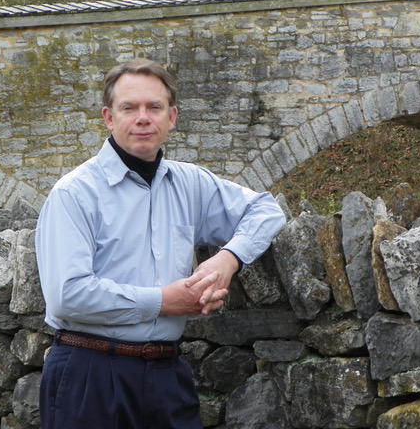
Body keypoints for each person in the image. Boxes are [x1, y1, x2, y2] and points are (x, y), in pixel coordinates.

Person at [35, 58, 286, 429]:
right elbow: (67, 295)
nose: (143, 118)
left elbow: (266, 210)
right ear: (108, 117)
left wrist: (228, 259)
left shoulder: (191, 184)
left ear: (172, 117)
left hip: (166, 375)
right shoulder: (74, 193)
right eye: (129, 108)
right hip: (89, 374)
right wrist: (163, 301)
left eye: (154, 107)